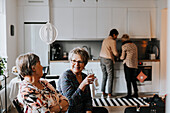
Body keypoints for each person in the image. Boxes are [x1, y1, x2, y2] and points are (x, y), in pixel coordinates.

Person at [58, 47, 108, 113]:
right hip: (70, 111)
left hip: (82, 110)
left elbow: (88, 99)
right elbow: (71, 102)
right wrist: (83, 84)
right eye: (74, 61)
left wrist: (88, 111)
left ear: (85, 63)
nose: (77, 64)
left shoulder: (84, 76)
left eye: (80, 61)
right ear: (70, 61)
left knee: (103, 111)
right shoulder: (66, 76)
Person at [99, 29, 119, 97]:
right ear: (114, 35)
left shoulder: (105, 40)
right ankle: (109, 93)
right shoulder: (112, 41)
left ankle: (103, 92)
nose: (116, 37)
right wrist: (118, 55)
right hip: (108, 59)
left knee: (104, 76)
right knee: (110, 76)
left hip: (101, 59)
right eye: (116, 35)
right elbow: (115, 52)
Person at [120, 34, 138, 98]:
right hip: (135, 64)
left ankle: (129, 94)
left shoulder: (124, 46)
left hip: (128, 64)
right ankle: (136, 93)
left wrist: (120, 58)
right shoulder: (134, 45)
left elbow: (122, 57)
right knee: (133, 80)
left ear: (123, 39)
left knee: (128, 80)